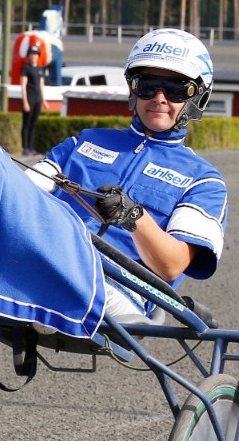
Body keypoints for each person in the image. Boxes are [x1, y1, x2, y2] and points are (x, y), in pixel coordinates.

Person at [28, 28, 227, 324]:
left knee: (66, 277)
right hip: (48, 260)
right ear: (133, 89)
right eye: (148, 86)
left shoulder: (204, 182)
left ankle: (43, 302)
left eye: (175, 89)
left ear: (197, 97)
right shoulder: (84, 142)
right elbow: (20, 193)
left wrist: (134, 216)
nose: (159, 98)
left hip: (123, 292)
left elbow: (172, 266)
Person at [19, 45, 45, 155]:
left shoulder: (40, 69)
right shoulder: (26, 68)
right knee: (27, 124)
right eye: (31, 54)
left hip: (37, 98)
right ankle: (25, 147)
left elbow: (41, 85)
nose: (33, 56)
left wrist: (44, 100)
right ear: (28, 56)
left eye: (35, 54)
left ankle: (31, 146)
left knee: (33, 124)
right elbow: (23, 85)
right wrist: (25, 101)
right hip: (29, 98)